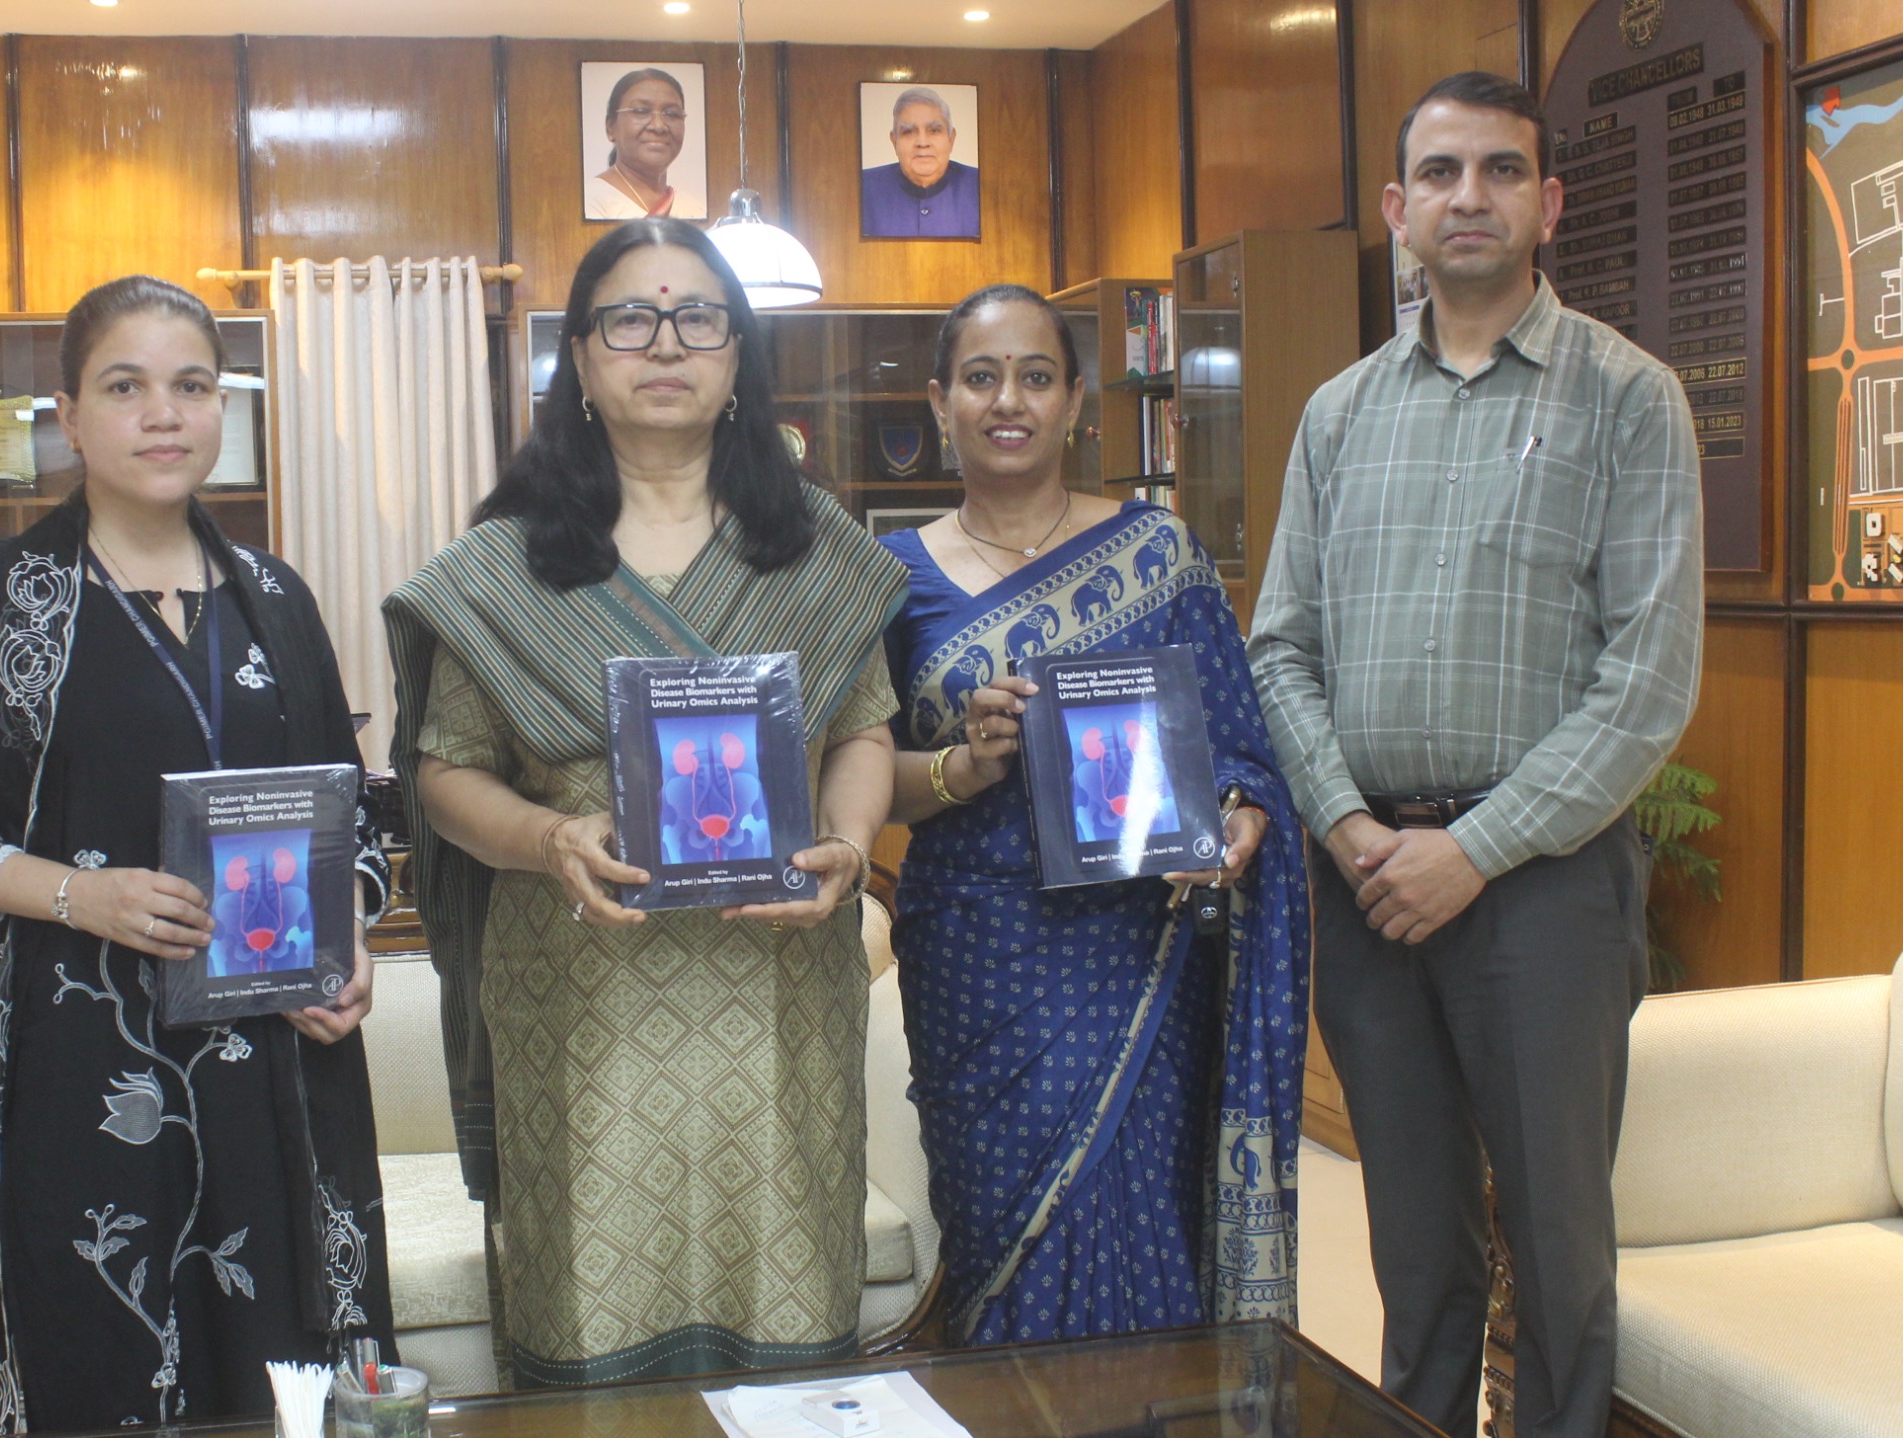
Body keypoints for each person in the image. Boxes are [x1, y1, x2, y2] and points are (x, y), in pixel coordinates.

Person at [1246, 71, 1703, 1438]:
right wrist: (1346, 824)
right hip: (1369, 876)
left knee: (1561, 1252)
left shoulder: (1631, 398)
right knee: (1414, 1247)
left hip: (1544, 892)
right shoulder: (1337, 415)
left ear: (1547, 202)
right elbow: (1279, 647)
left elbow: (1649, 682)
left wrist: (1475, 849)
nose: (1470, 197)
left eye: (1501, 171)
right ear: (1395, 208)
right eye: (1440, 173)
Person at [0, 276, 397, 1433]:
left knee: (283, 1374)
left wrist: (347, 938)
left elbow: (351, 814)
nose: (164, 414)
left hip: (275, 1062)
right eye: (126, 386)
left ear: (221, 408)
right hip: (76, 1061)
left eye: (191, 386)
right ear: (69, 415)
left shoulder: (276, 598)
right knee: (94, 1358)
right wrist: (77, 894)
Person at [383, 218, 903, 1387]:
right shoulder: (503, 564)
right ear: (580, 356)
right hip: (580, 995)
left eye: (697, 317)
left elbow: (863, 728)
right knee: (590, 1325)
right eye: (629, 317)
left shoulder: (814, 547)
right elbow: (444, 769)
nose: (663, 342)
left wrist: (849, 845)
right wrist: (550, 834)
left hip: (777, 984)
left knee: (786, 1299)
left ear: (734, 358)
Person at [879, 284, 1310, 1345]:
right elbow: (856, 779)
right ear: (941, 402)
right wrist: (962, 766)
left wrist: (1243, 820)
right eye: (980, 378)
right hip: (975, 956)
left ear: (1076, 401)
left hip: (1139, 944)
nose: (1007, 400)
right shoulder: (887, 578)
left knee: (1138, 1216)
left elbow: (1240, 749)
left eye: (1035, 375)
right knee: (998, 1228)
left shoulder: (1157, 553)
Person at [860, 87, 980, 239]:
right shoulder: (860, 189)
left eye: (934, 130)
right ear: (894, 141)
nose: (922, 143)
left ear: (951, 139)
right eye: (908, 132)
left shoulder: (982, 188)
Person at [586, 68, 702, 221]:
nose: (659, 126)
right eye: (641, 111)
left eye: (672, 114)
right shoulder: (589, 202)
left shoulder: (695, 209)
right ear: (611, 127)